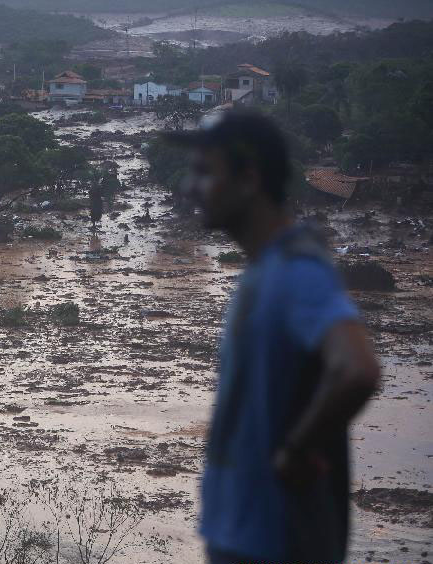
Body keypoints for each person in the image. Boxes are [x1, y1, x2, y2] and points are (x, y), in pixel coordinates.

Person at [165, 111, 380, 564]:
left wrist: (297, 451)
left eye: (204, 173)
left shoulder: (298, 271)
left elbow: (357, 370)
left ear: (248, 177)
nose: (189, 188)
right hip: (241, 534)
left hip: (275, 541)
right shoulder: (263, 272)